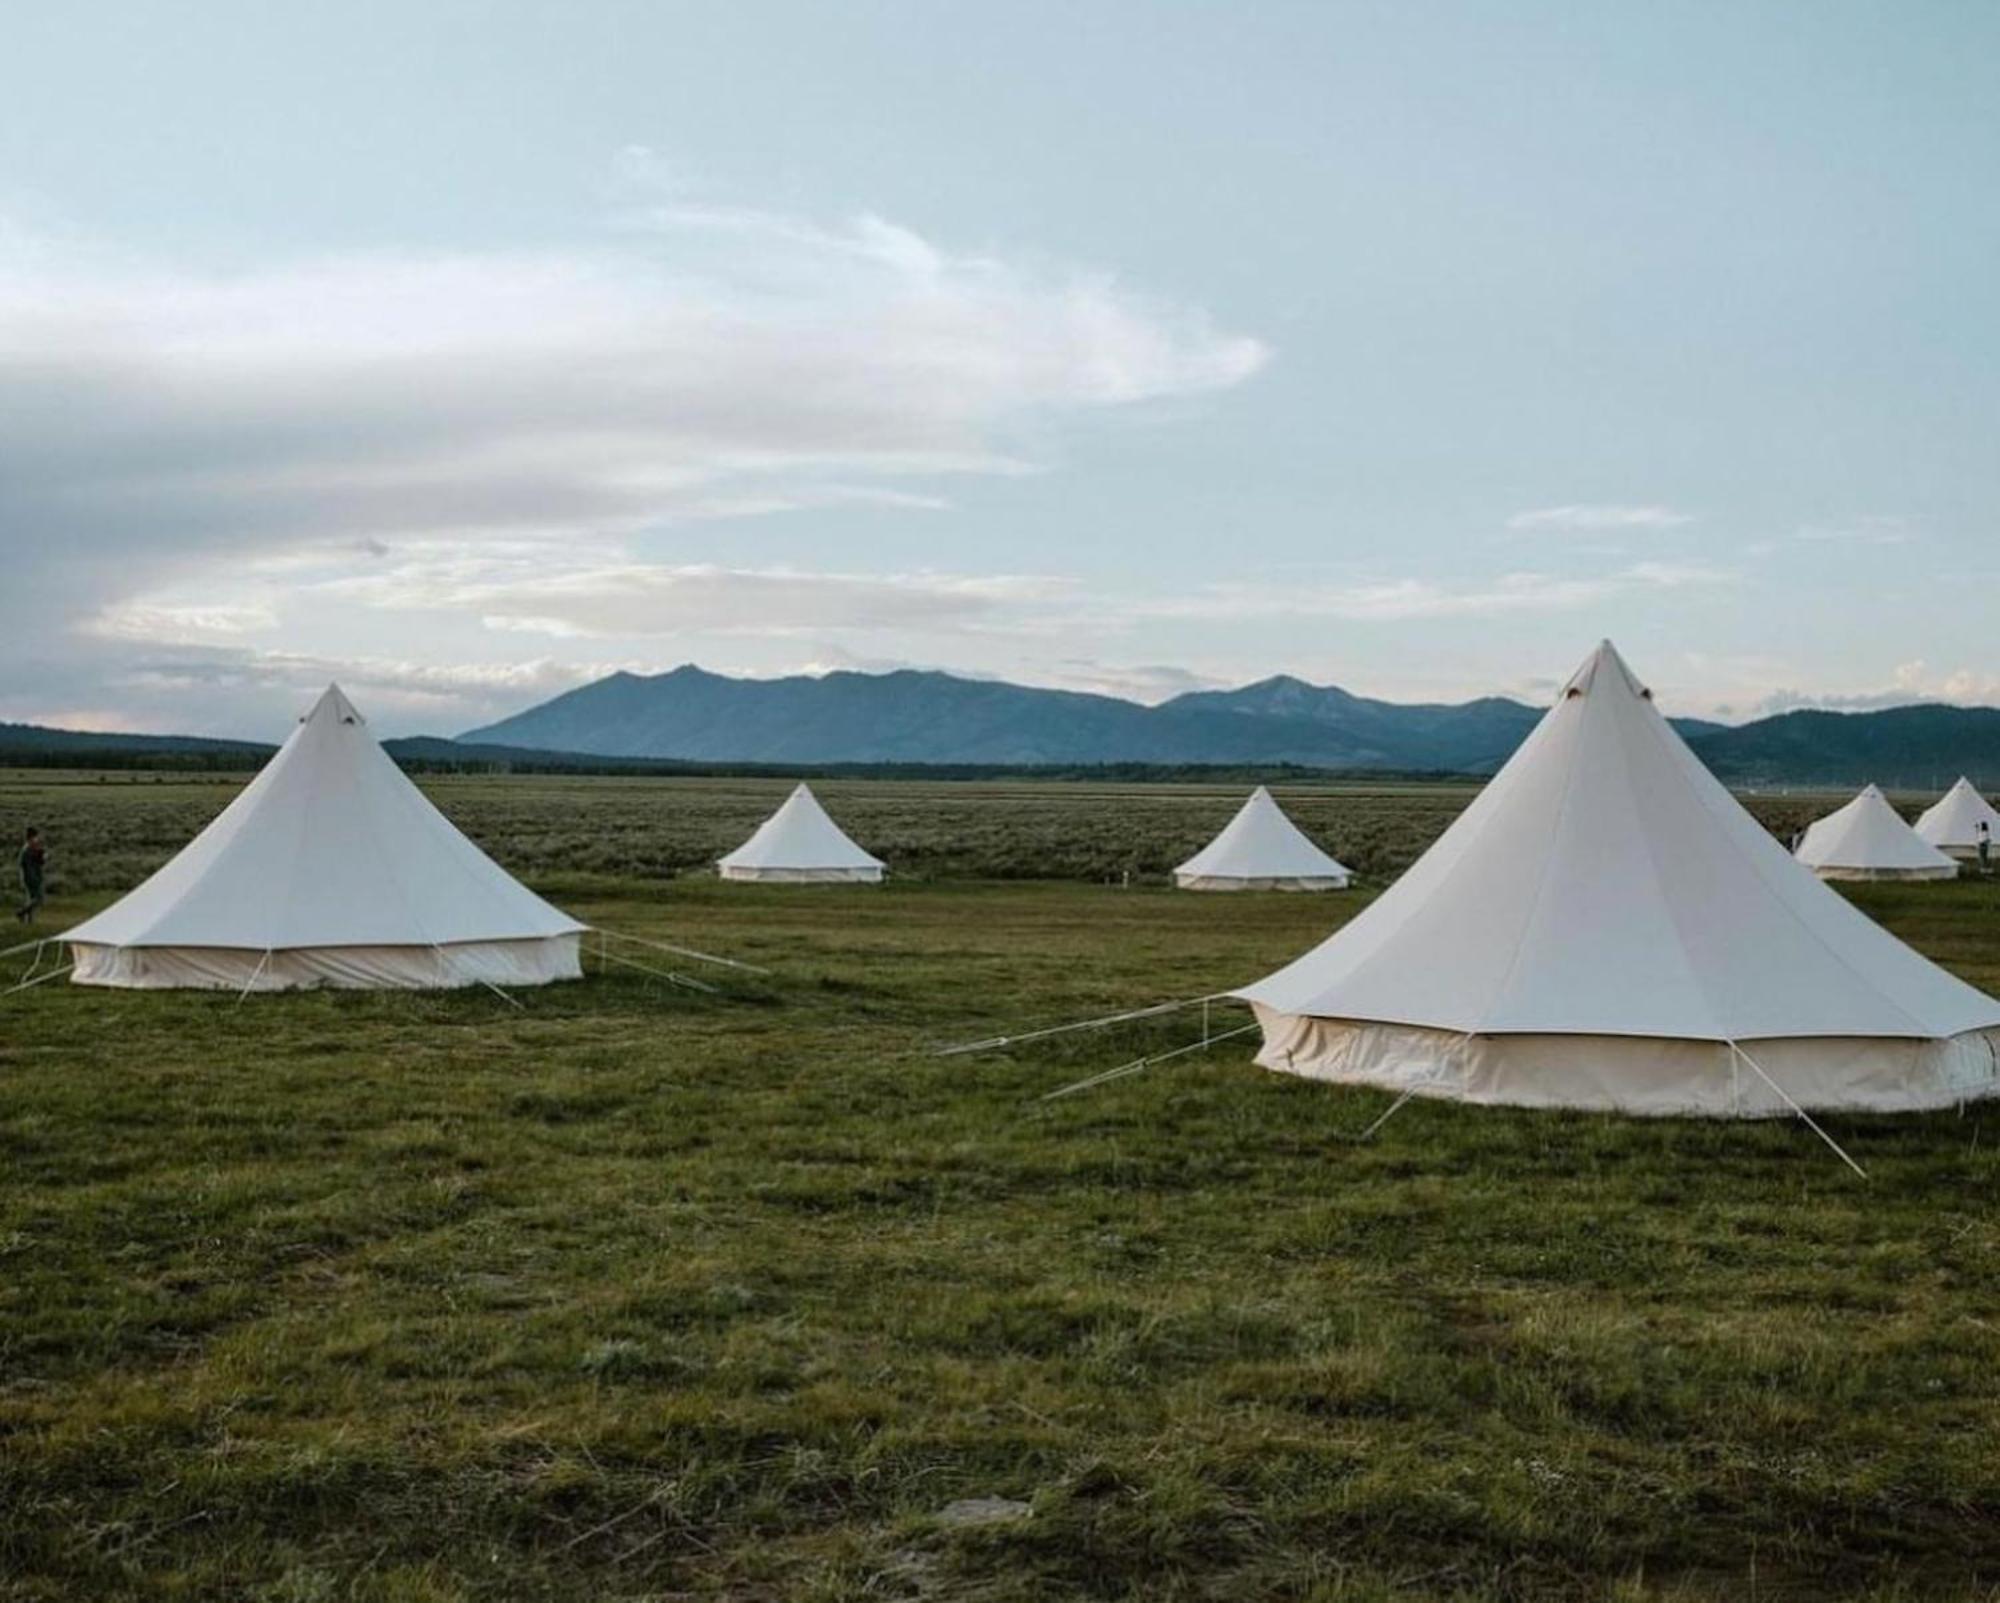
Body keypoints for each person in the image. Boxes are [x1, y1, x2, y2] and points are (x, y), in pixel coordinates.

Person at [16, 827, 46, 923]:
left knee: (31, 898)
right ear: (31, 837)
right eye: (35, 837)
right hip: (31, 877)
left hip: (32, 876)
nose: (37, 839)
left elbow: (39, 862)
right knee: (38, 898)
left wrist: (42, 857)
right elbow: (27, 864)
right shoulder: (28, 849)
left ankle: (29, 919)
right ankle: (21, 912)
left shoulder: (32, 848)